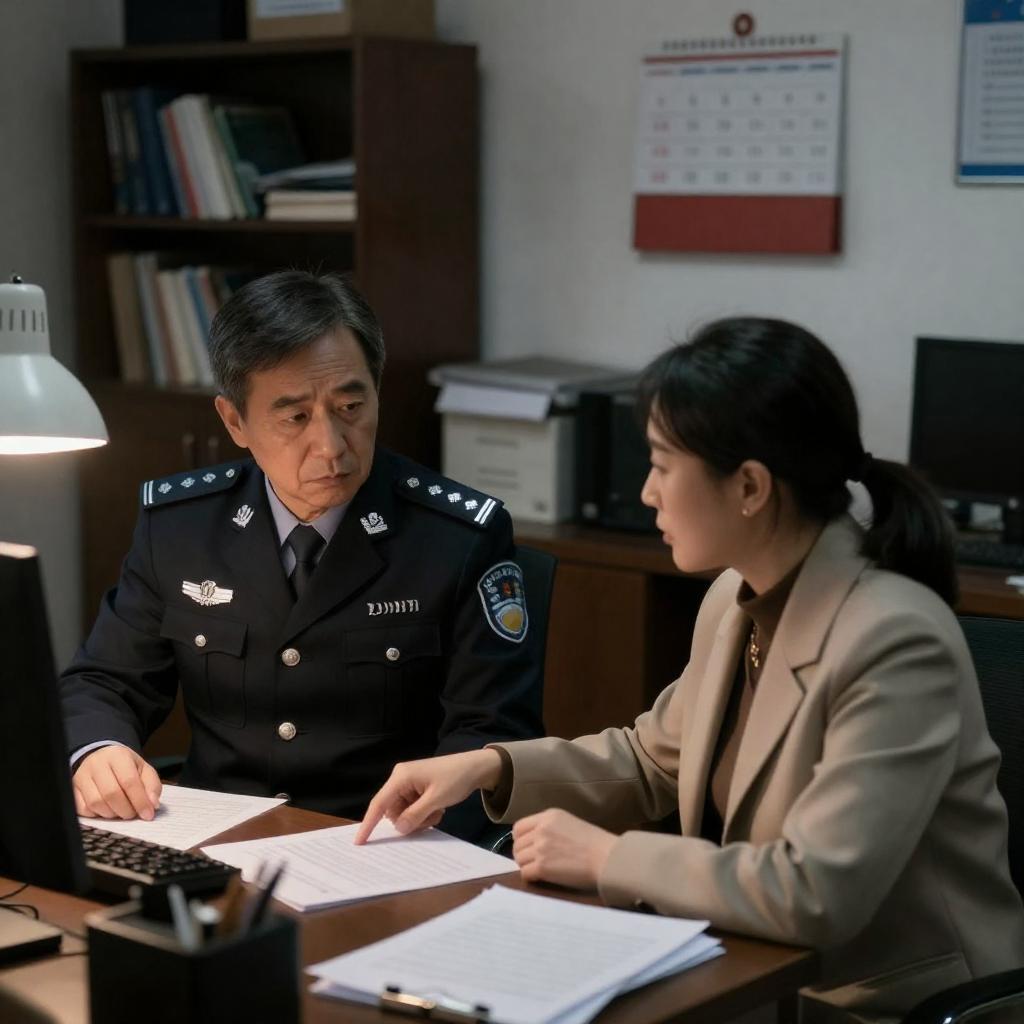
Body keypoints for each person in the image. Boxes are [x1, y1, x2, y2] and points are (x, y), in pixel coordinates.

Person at [357, 317, 1024, 1022]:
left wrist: (608, 858)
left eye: (662, 465)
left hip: (888, 1002)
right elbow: (652, 759)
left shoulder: (894, 638)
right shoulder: (734, 597)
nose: (647, 492)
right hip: (755, 973)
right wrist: (490, 767)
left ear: (750, 487)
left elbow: (818, 891)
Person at [60, 270, 543, 842]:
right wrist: (99, 749)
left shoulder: (457, 537)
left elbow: (494, 732)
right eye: (295, 418)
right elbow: (105, 682)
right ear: (234, 421)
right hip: (218, 844)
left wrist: (425, 837)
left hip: (383, 844)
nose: (332, 446)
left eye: (351, 406)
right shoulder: (181, 528)